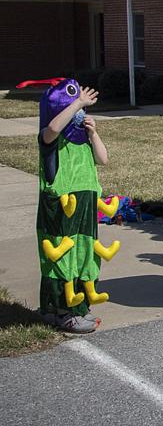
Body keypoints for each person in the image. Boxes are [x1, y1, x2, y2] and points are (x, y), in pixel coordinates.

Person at [21, 77, 115, 332]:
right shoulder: (49, 140)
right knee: (62, 259)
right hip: (60, 209)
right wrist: (77, 103)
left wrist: (93, 133)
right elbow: (52, 129)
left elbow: (103, 159)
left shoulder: (83, 138)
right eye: (74, 107)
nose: (79, 111)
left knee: (83, 257)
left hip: (84, 208)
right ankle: (63, 312)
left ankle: (73, 307)